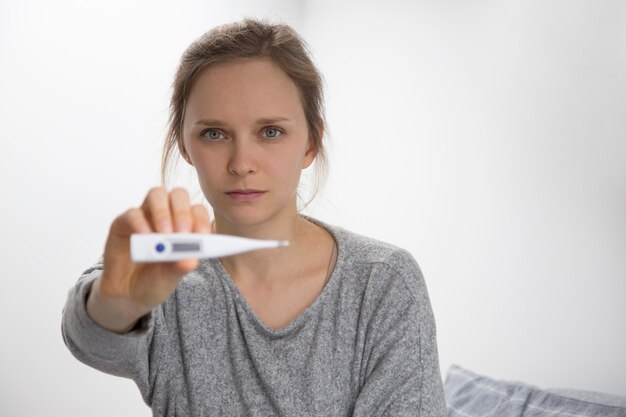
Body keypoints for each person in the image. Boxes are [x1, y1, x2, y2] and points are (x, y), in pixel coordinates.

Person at [62, 18, 446, 416]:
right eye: (214, 134)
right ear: (185, 145)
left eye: (270, 132)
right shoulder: (161, 271)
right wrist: (117, 303)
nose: (242, 163)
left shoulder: (382, 282)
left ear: (311, 142)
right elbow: (88, 335)